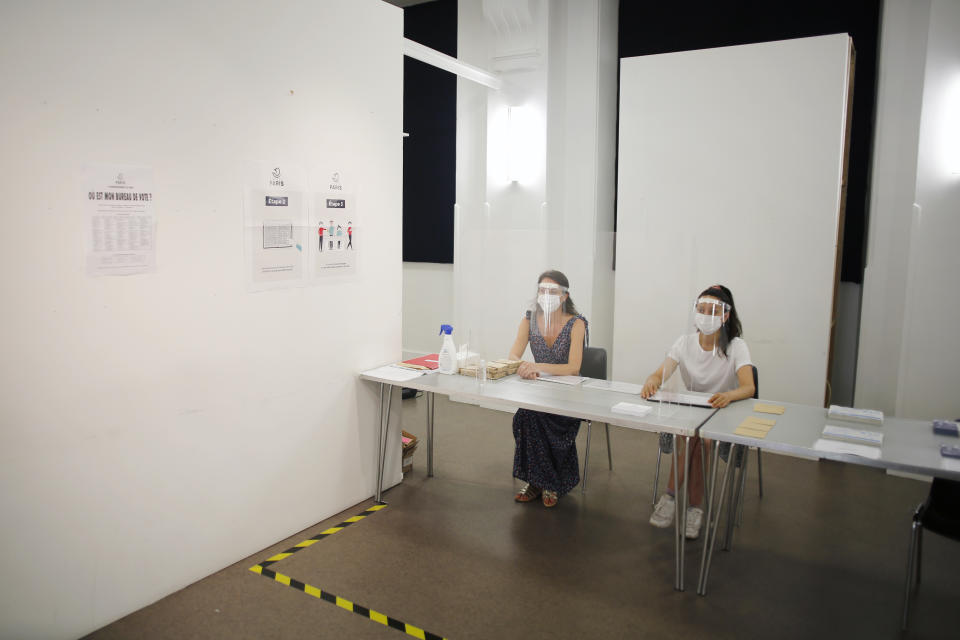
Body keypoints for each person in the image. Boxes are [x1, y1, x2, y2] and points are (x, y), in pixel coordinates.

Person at [640, 284, 754, 538]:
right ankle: (679, 502)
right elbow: (660, 373)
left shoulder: (736, 346)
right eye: (701, 309)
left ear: (725, 315)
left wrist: (728, 395)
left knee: (702, 441)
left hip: (723, 411)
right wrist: (652, 380)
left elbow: (748, 387)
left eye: (713, 310)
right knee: (688, 436)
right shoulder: (685, 342)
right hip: (692, 410)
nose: (706, 315)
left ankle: (686, 504)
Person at [508, 270, 588, 508]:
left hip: (567, 395)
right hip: (538, 390)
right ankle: (540, 481)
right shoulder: (529, 319)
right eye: (542, 290)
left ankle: (546, 482)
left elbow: (573, 368)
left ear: (564, 296)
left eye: (552, 292)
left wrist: (536, 367)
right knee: (525, 417)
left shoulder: (577, 323)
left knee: (540, 418)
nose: (546, 295)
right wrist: (523, 366)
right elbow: (513, 354)